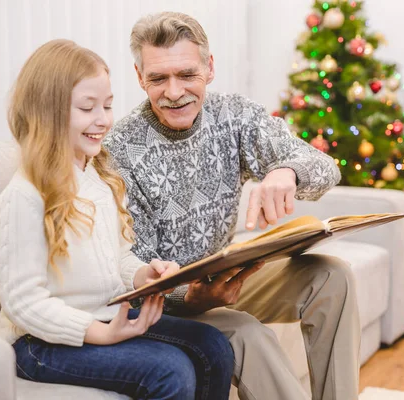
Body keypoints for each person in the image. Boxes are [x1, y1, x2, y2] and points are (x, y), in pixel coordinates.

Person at [104, 12, 361, 400]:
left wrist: (286, 171)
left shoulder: (235, 115)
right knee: (246, 332)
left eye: (187, 74)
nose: (174, 92)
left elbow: (326, 168)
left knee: (332, 276)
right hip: (168, 303)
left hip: (225, 277)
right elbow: (132, 270)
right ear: (140, 77)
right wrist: (187, 296)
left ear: (209, 68)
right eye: (158, 78)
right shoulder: (121, 149)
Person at [0, 39, 234, 400]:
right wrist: (100, 332)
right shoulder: (26, 196)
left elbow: (119, 257)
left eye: (107, 105)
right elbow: (24, 304)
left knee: (213, 346)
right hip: (38, 343)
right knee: (170, 371)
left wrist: (143, 275)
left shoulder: (98, 176)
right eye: (87, 108)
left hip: (104, 314)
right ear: (48, 112)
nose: (104, 120)